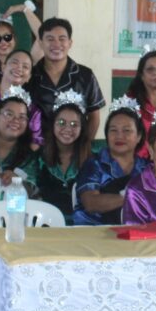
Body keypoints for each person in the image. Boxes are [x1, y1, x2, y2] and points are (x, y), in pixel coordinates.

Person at [73, 96, 150, 225]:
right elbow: (90, 203)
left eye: (126, 130)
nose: (119, 136)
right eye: (113, 130)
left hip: (136, 231)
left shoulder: (147, 168)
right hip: (93, 230)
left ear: (139, 136)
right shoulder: (94, 164)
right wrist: (132, 197)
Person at [29, 17, 105, 140]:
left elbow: (94, 116)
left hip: (74, 147)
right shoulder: (30, 75)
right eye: (50, 39)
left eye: (62, 39)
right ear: (41, 43)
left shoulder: (85, 75)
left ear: (70, 43)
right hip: (38, 147)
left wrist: (84, 146)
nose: (56, 44)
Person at [35, 91, 91, 224]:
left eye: (74, 124)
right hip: (47, 225)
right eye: (61, 122)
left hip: (83, 226)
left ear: (82, 128)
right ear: (52, 124)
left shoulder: (93, 159)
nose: (67, 129)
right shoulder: (38, 157)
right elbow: (27, 184)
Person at [0, 88, 40, 190]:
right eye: (9, 114)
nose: (16, 120)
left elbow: (33, 189)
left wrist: (17, 181)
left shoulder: (28, 156)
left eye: (22, 117)